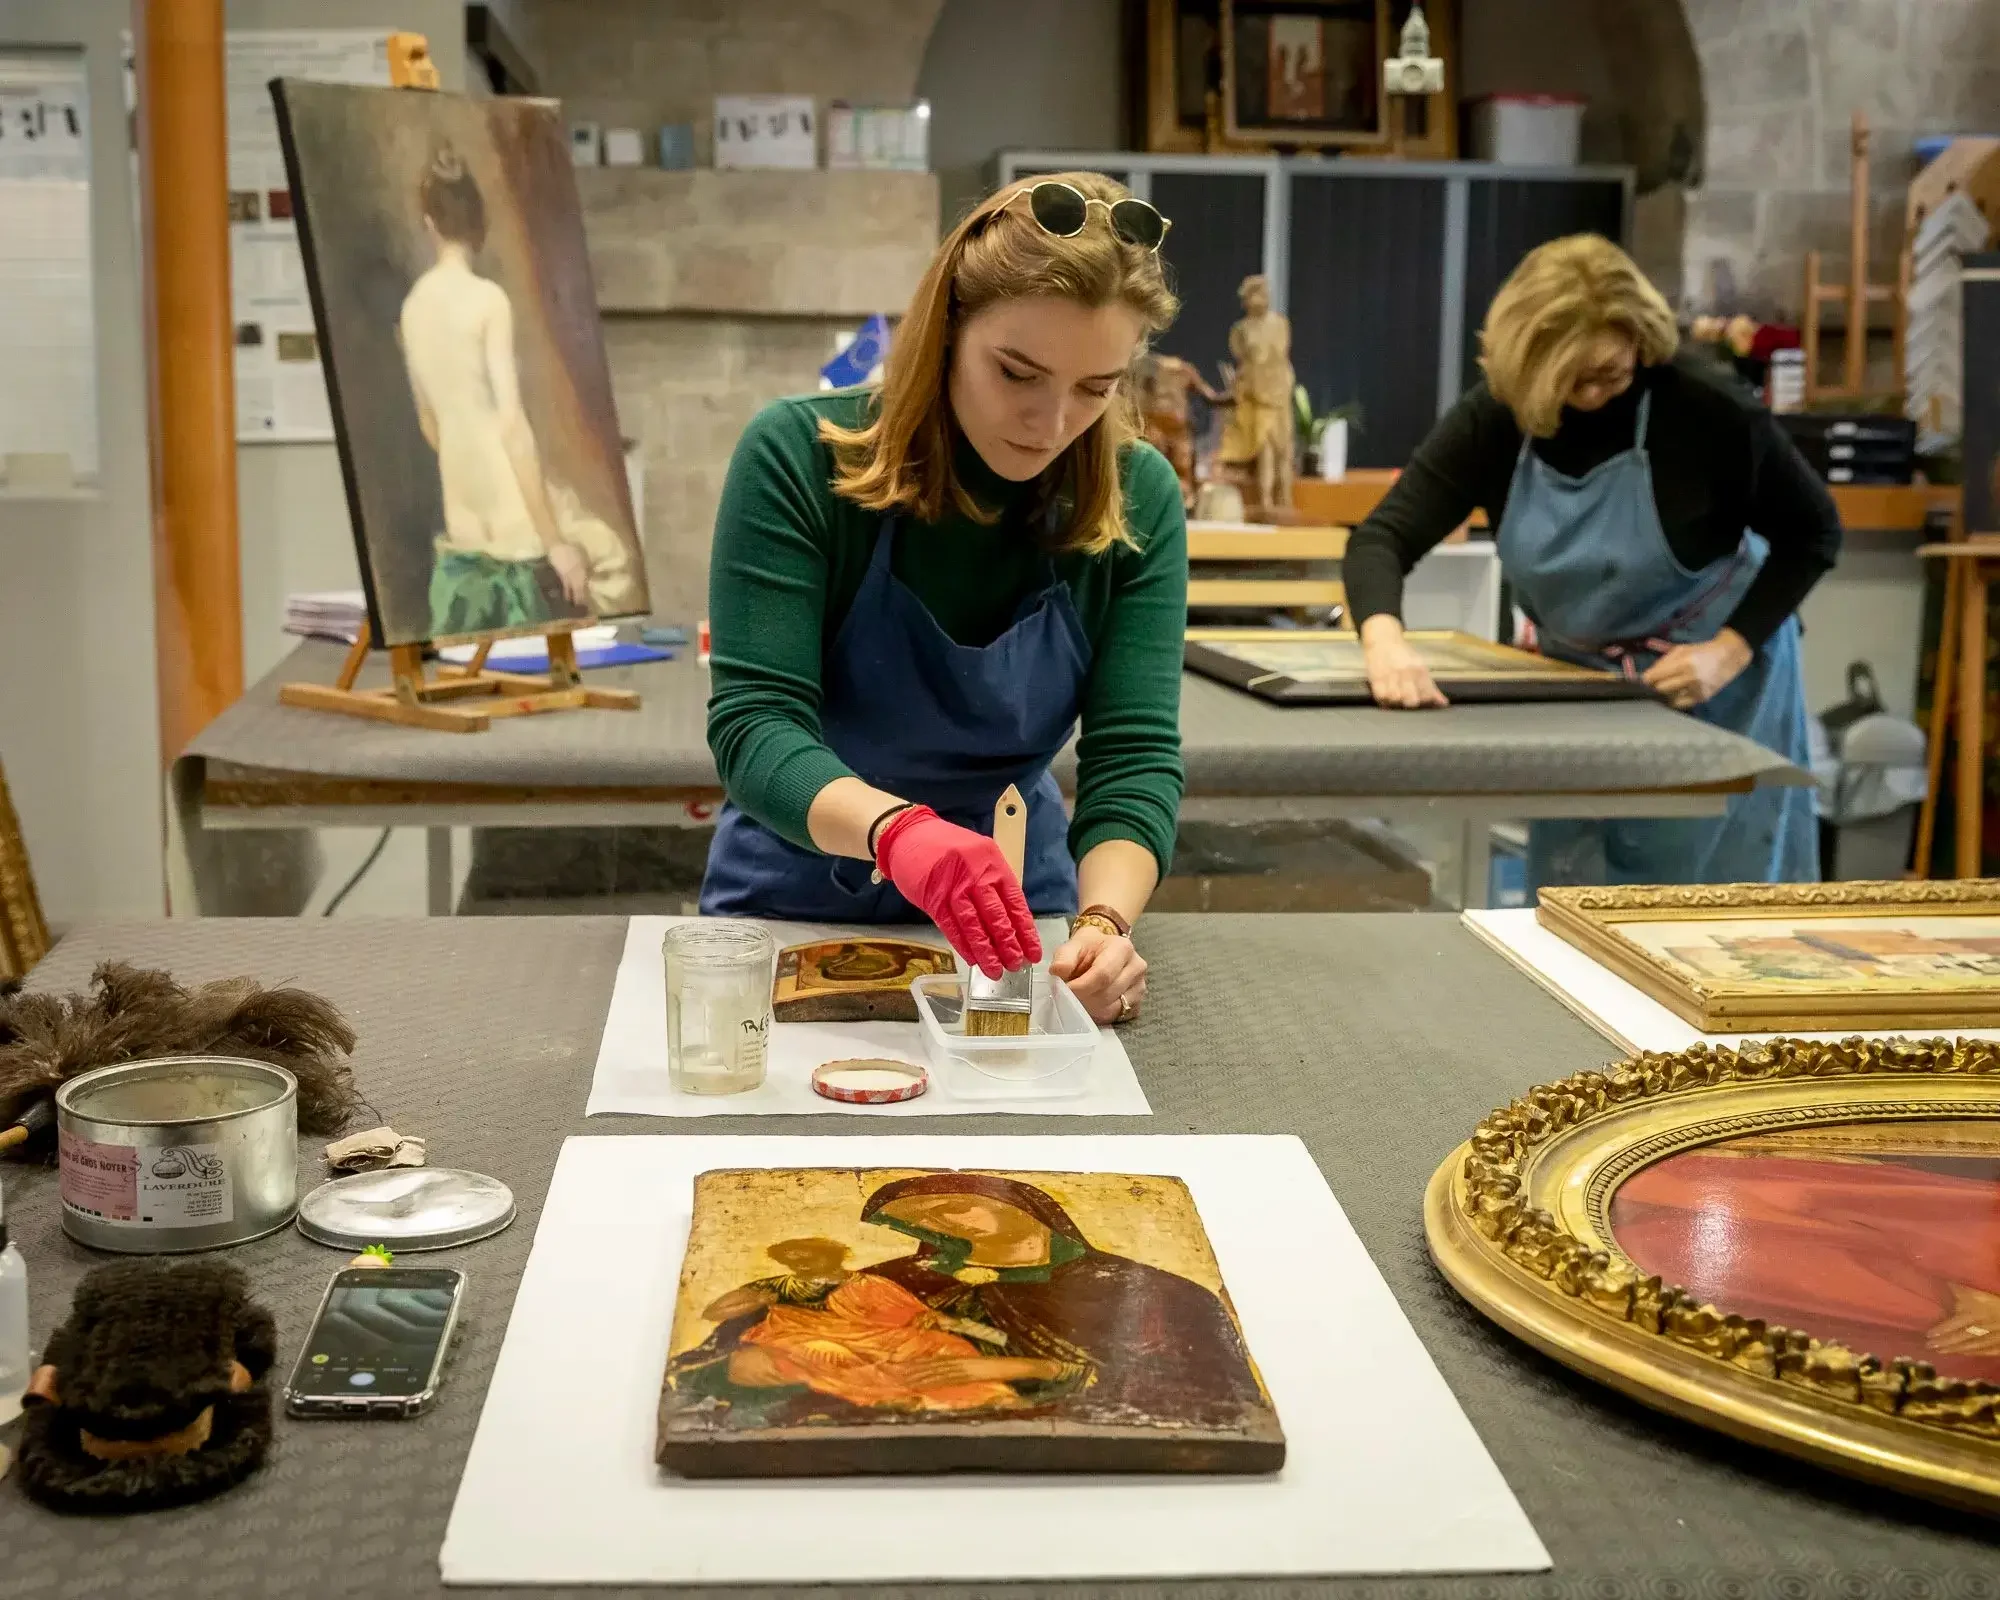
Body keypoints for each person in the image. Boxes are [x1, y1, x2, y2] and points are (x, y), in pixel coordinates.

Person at [701, 173, 1189, 1024]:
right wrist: (901, 833)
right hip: (792, 902)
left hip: (1018, 923)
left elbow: (1133, 757)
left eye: (1095, 388)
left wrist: (1105, 923)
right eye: (1017, 373)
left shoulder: (1138, 498)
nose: (1049, 422)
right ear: (947, 328)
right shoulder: (797, 458)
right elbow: (755, 726)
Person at [1346, 234, 1841, 888]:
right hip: (1582, 696)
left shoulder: (1707, 411)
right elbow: (1382, 538)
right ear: (1528, 367)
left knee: (1704, 917)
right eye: (1573, 381)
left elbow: (1815, 533)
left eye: (1614, 372)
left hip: (1718, 690)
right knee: (1580, 908)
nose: (1597, 395)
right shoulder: (1497, 417)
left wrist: (1728, 651)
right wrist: (1385, 644)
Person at [398, 145, 642, 638]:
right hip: (515, 517)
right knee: (613, 564)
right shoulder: (488, 300)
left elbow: (430, 424)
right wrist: (555, 541)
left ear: (429, 223)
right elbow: (511, 426)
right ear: (479, 223)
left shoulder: (412, 308)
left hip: (462, 517)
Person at [1217, 274, 1296, 512]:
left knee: (1285, 450)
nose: (1260, 299)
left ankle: (1285, 499)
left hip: (1278, 393)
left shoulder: (1280, 324)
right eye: (1254, 294)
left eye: (1263, 293)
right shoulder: (1241, 330)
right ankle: (1266, 502)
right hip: (1256, 397)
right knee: (1266, 450)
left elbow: (1280, 357)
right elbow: (1244, 363)